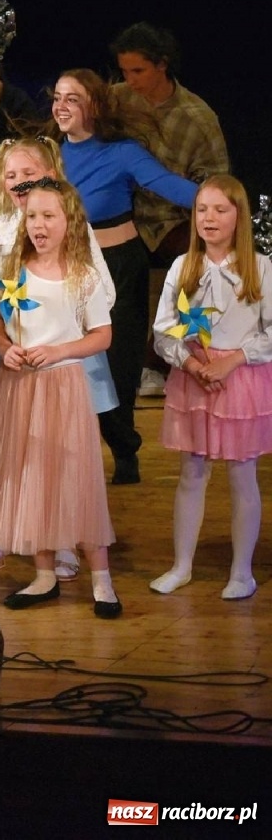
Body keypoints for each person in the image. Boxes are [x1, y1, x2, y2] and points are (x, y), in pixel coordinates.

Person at [0, 136, 116, 583]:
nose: (18, 183)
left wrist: (64, 318)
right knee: (14, 450)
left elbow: (100, 291)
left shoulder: (68, 225)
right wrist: (5, 341)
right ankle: (2, 538)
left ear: (49, 176)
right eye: (10, 176)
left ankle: (64, 540)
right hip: (17, 356)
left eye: (28, 174)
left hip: (63, 353)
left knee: (62, 455)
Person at [50, 69, 197, 485]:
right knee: (73, 364)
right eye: (57, 97)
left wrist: (220, 203)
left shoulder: (122, 152)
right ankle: (76, 457)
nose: (60, 106)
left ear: (93, 106)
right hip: (69, 266)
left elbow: (168, 184)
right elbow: (5, 206)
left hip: (118, 265)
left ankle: (123, 445)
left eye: (72, 98)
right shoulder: (50, 159)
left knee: (117, 365)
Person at [150, 175, 270, 602]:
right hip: (195, 378)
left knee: (242, 474)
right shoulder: (184, 266)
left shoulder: (260, 267)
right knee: (192, 472)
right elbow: (164, 328)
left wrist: (233, 360)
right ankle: (182, 565)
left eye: (220, 209)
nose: (210, 218)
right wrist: (193, 364)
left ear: (239, 215)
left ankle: (242, 572)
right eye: (202, 209)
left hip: (240, 381)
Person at [108, 23, 231, 398]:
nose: (130, 80)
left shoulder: (197, 116)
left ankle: (157, 364)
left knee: (195, 264)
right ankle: (105, 361)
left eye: (138, 71)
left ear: (162, 65)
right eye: (124, 71)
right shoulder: (116, 100)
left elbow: (217, 184)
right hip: (125, 214)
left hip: (174, 219)